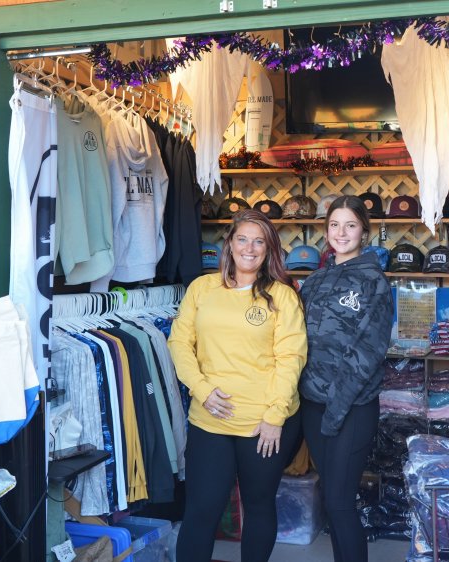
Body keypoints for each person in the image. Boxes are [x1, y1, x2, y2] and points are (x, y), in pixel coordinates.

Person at [168, 208, 307, 562]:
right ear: (229, 244)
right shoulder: (202, 288)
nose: (250, 247)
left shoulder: (282, 296)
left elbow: (290, 359)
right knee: (201, 511)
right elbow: (180, 344)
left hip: (264, 424)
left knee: (258, 507)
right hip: (210, 419)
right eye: (242, 239)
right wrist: (201, 389)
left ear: (269, 249)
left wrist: (275, 416)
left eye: (259, 241)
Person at [299, 195, 394, 562]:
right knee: (330, 500)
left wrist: (335, 410)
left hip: (351, 409)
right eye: (335, 225)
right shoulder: (314, 282)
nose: (342, 232)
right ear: (326, 230)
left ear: (364, 231)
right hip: (313, 406)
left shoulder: (374, 283)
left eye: (350, 225)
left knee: (340, 502)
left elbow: (367, 353)